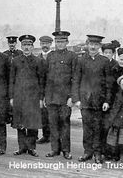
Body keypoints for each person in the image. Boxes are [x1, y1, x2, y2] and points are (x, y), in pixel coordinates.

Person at [73, 34, 112, 164]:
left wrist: (107, 100)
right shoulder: (81, 60)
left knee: (98, 128)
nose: (93, 47)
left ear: (99, 46)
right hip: (85, 100)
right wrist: (76, 99)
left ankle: (97, 153)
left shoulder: (104, 61)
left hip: (99, 101)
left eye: (96, 45)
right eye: (91, 44)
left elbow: (108, 84)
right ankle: (87, 152)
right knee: (87, 127)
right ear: (87, 45)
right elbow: (76, 81)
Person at [10, 35, 44, 157]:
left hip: (33, 98)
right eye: (24, 45)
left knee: (32, 124)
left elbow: (41, 81)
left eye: (29, 45)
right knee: (20, 123)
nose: (26, 47)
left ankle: (31, 148)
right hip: (19, 97)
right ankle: (21, 147)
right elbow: (12, 80)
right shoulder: (15, 61)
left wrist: (41, 98)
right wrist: (11, 97)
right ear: (21, 46)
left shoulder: (38, 61)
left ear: (32, 47)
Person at [45, 31, 76, 160]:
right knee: (53, 124)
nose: (60, 44)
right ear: (55, 43)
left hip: (65, 98)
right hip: (52, 97)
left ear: (67, 42)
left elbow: (75, 78)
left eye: (62, 41)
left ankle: (66, 150)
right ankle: (54, 149)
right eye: (57, 42)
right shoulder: (50, 56)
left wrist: (71, 97)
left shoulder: (72, 56)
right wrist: (46, 96)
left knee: (64, 124)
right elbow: (46, 78)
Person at [36, 35, 53, 144]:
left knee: (53, 114)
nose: (45, 46)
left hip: (53, 89)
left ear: (50, 44)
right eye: (42, 43)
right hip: (41, 89)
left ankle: (54, 136)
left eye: (47, 43)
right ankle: (46, 135)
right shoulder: (38, 57)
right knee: (43, 114)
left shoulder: (54, 56)